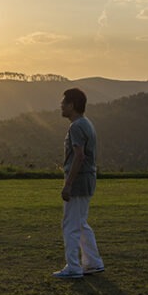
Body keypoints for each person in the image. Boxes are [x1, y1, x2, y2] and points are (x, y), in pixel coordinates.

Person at [53, 87, 104, 278]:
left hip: (79, 180)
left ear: (72, 105)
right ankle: (93, 263)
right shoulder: (86, 124)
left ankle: (73, 267)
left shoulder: (76, 127)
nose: (61, 106)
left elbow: (79, 156)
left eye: (64, 103)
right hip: (88, 179)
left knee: (70, 224)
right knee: (80, 223)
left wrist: (68, 184)